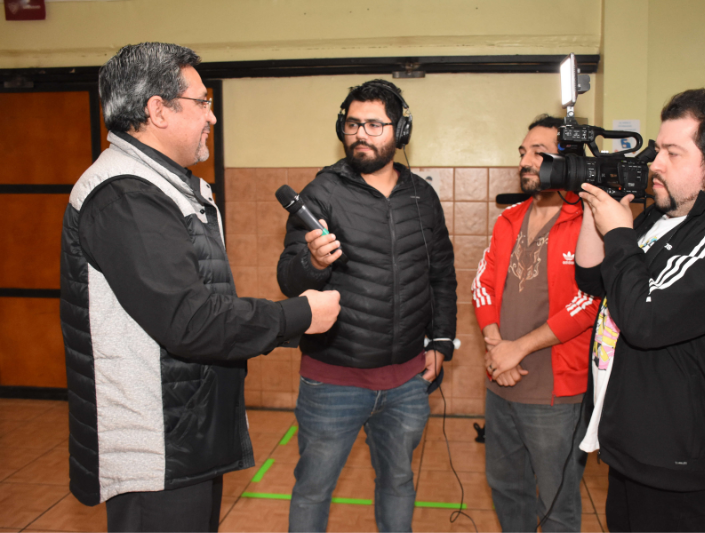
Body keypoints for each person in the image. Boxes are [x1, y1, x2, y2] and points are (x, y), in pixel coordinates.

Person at [59, 42, 340, 533]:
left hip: (185, 434)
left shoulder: (166, 185)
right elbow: (191, 320)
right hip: (156, 448)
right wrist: (299, 314)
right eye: (202, 102)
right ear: (157, 110)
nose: (212, 116)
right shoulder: (125, 197)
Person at [575, 89, 705, 532]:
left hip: (677, 454)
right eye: (658, 149)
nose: (655, 163)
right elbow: (592, 280)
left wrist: (621, 236)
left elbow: (646, 320)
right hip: (632, 439)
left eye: (672, 153)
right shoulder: (661, 215)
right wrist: (596, 212)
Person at [277, 79, 457, 532]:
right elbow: (288, 277)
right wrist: (313, 262)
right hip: (332, 381)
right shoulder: (322, 192)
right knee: (313, 488)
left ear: (401, 131)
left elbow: (441, 275)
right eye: (354, 123)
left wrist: (440, 341)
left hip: (406, 382)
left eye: (375, 124)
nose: (362, 133)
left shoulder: (422, 197)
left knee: (397, 481)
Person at [472, 115, 599, 531]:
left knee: (557, 503)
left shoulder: (590, 220)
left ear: (569, 162)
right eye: (523, 152)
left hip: (555, 393)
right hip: (501, 381)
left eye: (538, 153)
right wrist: (496, 346)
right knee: (506, 488)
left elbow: (590, 301)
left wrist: (517, 348)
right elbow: (482, 284)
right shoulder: (508, 218)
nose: (525, 161)